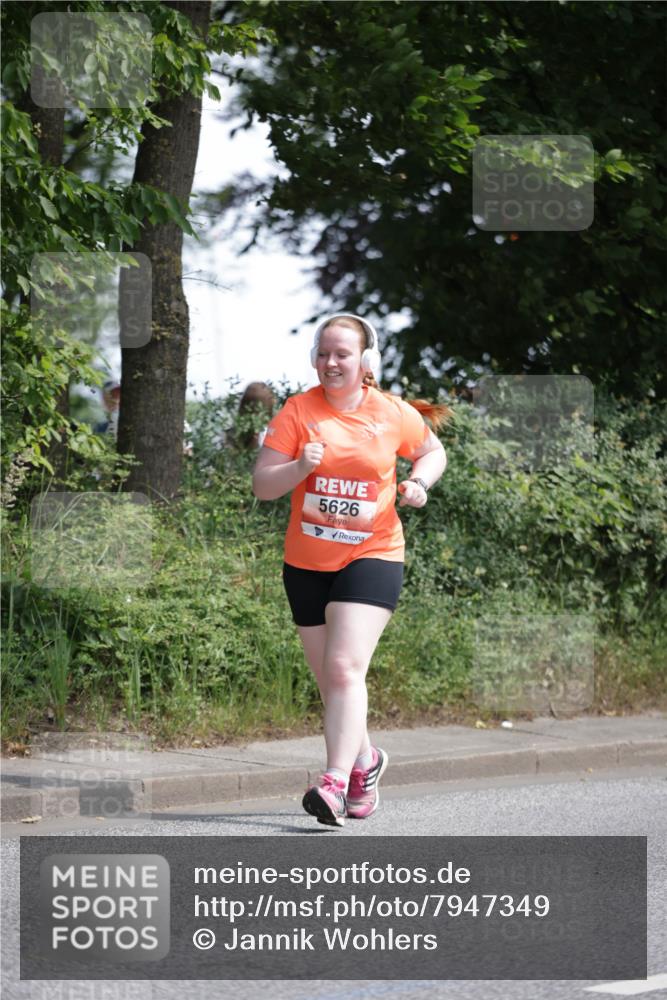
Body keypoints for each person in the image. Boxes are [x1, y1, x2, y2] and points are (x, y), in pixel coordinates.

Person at [252, 313, 449, 827]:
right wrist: (300, 466)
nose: (330, 362)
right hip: (305, 564)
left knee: (343, 668)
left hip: (373, 553)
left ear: (365, 361)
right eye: (323, 353)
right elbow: (263, 486)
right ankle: (366, 760)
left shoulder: (391, 412)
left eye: (342, 354)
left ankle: (334, 783)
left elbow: (432, 451)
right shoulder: (298, 411)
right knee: (332, 680)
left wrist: (419, 482)